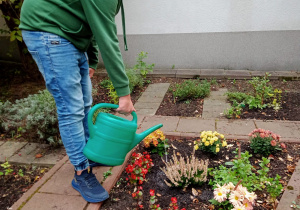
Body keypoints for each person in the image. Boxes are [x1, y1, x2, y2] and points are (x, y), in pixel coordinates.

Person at [19, 0, 135, 203]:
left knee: (84, 104)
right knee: (70, 109)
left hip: (68, 33)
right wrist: (124, 94)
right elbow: (107, 37)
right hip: (47, 30)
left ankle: (89, 153)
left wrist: (90, 59)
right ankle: (81, 172)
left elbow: (93, 22)